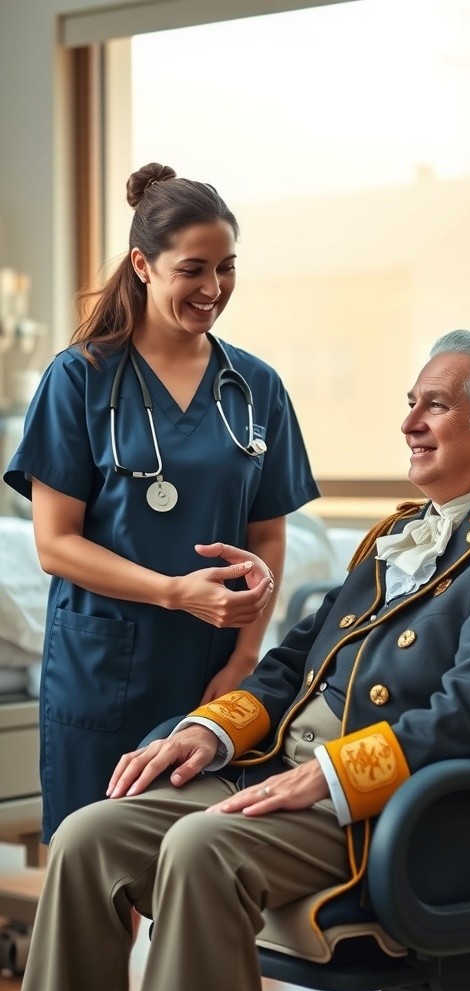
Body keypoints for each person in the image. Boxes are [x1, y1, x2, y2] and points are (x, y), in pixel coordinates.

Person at [13, 330, 470, 991]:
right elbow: (291, 665)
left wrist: (328, 775)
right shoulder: (397, 537)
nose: (408, 424)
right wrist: (207, 733)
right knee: (86, 837)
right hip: (286, 776)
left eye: (434, 407)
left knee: (199, 847)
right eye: (410, 403)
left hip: (400, 814)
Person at [2, 161, 320, 845]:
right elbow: (56, 544)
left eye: (227, 268)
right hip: (102, 669)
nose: (213, 289)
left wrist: (242, 665)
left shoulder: (255, 386)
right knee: (92, 876)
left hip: (211, 674)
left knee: (194, 871)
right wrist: (176, 592)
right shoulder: (80, 378)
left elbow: (268, 536)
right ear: (144, 266)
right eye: (193, 269)